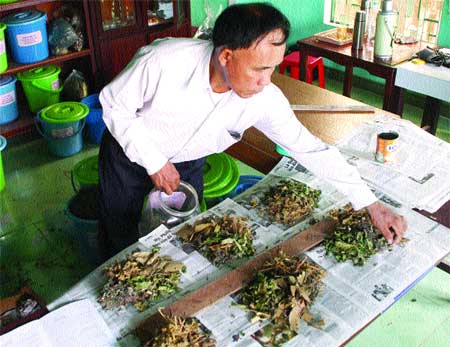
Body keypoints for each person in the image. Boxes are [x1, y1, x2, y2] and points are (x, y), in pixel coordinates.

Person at [98, 3, 407, 259]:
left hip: (187, 164)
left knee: (178, 234)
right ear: (226, 56)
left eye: (273, 68)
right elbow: (114, 105)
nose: (266, 80)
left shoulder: (265, 99)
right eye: (259, 69)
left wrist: (371, 204)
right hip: (130, 155)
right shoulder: (163, 62)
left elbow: (310, 148)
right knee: (121, 233)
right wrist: (154, 161)